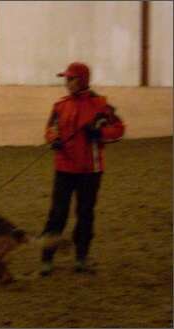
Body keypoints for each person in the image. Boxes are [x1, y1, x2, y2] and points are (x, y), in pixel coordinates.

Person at [39, 62, 125, 275]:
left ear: (82, 80)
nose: (67, 84)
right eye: (66, 79)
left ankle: (81, 257)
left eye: (71, 79)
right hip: (64, 167)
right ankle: (46, 257)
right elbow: (50, 128)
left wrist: (99, 134)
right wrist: (54, 139)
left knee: (85, 214)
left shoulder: (100, 105)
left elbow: (119, 128)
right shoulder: (60, 105)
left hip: (90, 170)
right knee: (57, 214)